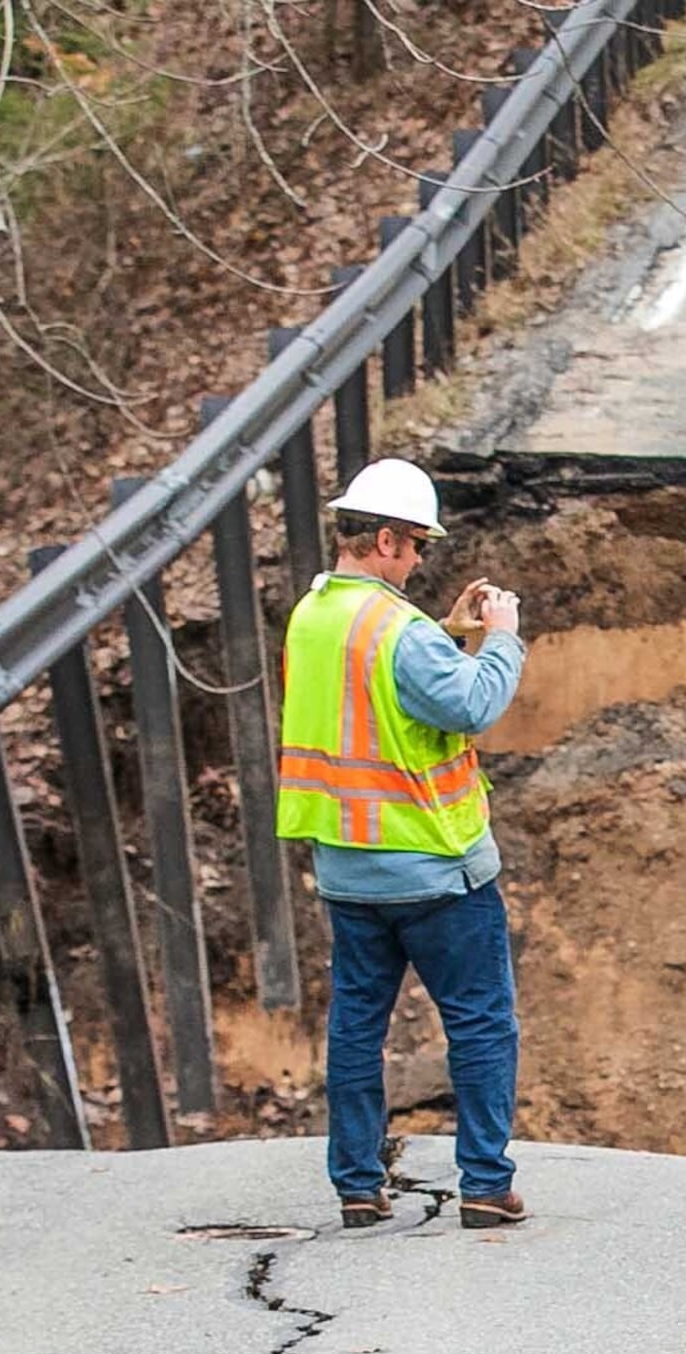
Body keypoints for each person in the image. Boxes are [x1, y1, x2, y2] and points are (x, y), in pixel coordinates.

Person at [279, 458, 529, 1232]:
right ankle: (485, 1183)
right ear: (384, 539)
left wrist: (448, 631)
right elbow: (472, 702)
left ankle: (357, 1184)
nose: (420, 559)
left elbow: (382, 690)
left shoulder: (314, 616)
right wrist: (501, 640)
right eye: (416, 544)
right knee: (482, 1023)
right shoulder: (399, 631)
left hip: (349, 869)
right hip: (436, 866)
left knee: (357, 1026)